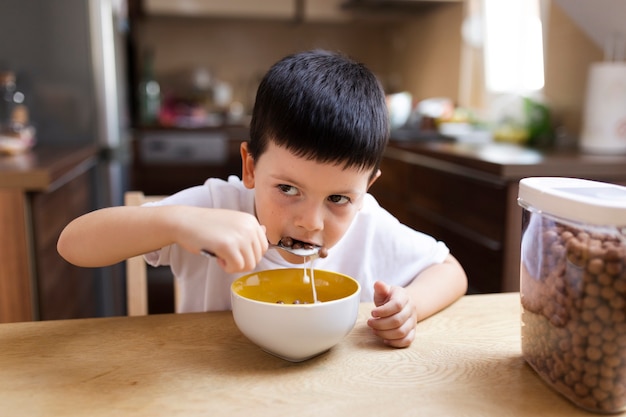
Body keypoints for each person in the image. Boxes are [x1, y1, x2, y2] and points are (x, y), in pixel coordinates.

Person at [58, 50, 467, 348]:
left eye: (339, 198)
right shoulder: (212, 208)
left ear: (367, 190)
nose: (311, 222)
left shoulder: (369, 224)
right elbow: (73, 244)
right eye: (288, 189)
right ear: (250, 168)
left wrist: (410, 305)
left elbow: (450, 270)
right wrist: (178, 222)